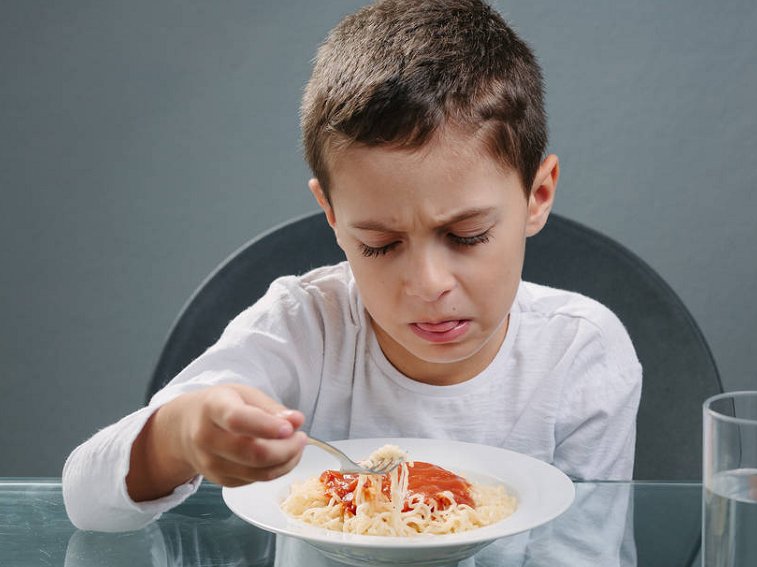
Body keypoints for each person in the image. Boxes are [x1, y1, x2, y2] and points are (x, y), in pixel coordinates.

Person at [63, 0, 642, 532]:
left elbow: (584, 549)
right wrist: (180, 437)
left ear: (537, 196)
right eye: (381, 245)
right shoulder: (304, 329)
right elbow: (84, 501)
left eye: (467, 236)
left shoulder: (580, 354)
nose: (428, 285)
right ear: (333, 216)